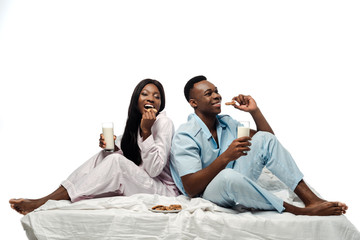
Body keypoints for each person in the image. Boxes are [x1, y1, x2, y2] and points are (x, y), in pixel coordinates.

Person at [170, 75, 348, 216]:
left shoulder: (226, 122)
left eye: (216, 91)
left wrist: (254, 111)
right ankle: (298, 211)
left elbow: (268, 140)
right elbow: (191, 188)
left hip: (238, 180)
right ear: (193, 103)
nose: (217, 95)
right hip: (209, 192)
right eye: (208, 93)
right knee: (228, 176)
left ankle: (311, 199)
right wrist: (226, 157)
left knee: (263, 139)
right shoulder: (185, 134)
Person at [10, 79, 179, 215]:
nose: (151, 98)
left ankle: (43, 202)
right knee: (106, 155)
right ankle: (50, 197)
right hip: (142, 182)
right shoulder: (136, 125)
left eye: (157, 96)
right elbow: (129, 157)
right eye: (145, 94)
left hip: (162, 191)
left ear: (161, 103)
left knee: (115, 161)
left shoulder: (163, 123)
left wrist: (147, 131)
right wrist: (110, 147)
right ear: (136, 101)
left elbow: (154, 169)